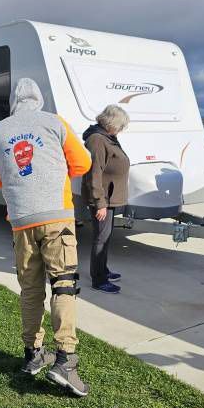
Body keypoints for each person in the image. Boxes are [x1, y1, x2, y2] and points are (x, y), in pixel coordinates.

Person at [0, 78, 92, 397]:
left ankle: (33, 354)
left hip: (20, 221)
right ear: (38, 99)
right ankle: (66, 360)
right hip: (56, 216)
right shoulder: (54, 122)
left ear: (13, 102)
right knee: (63, 285)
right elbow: (82, 163)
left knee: (30, 290)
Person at [81, 105, 130, 294]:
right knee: (101, 238)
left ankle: (103, 270)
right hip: (103, 200)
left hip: (110, 198)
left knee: (106, 237)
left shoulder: (108, 137)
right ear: (111, 123)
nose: (121, 129)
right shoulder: (97, 140)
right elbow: (94, 174)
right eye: (120, 126)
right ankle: (98, 279)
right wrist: (99, 203)